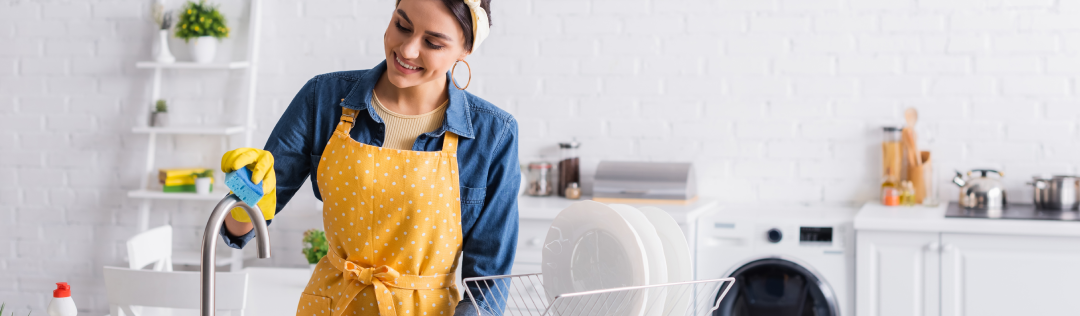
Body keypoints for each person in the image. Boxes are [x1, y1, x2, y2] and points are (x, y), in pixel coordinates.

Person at [218, 0, 517, 314]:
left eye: (432, 43)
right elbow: (238, 229)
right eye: (402, 25)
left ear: (465, 49)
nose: (408, 50)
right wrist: (247, 194)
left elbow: (488, 285)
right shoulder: (323, 98)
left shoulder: (493, 134)